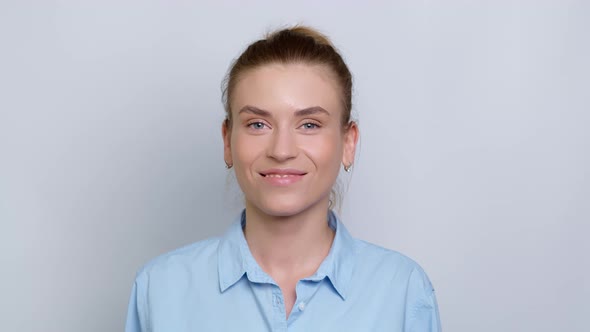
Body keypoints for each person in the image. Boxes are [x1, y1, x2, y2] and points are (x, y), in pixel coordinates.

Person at [125, 25, 441, 332]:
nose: (282, 150)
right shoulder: (160, 290)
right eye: (258, 124)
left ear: (348, 143)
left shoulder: (403, 292)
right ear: (228, 140)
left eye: (309, 124)